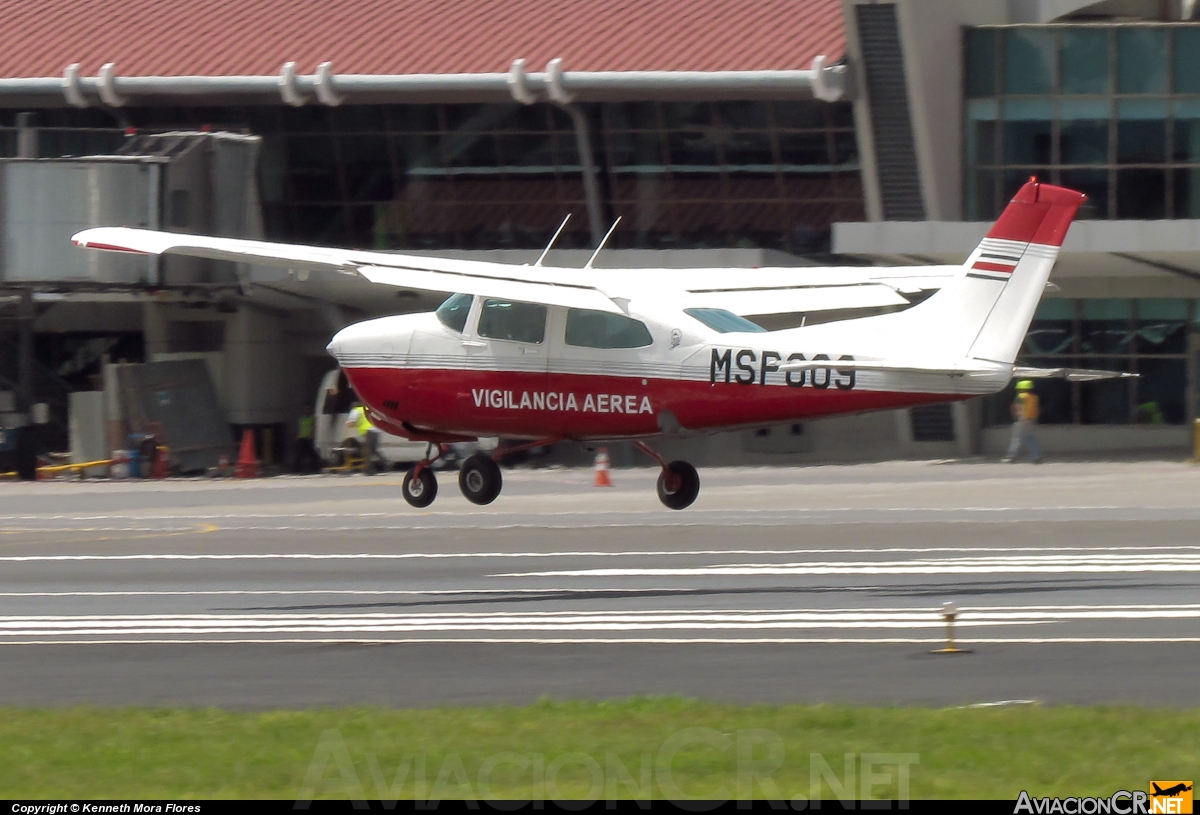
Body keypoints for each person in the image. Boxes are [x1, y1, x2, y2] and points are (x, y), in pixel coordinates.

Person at [1003, 380, 1041, 463]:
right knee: (1031, 439)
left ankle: (1011, 457)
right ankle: (1035, 457)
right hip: (1032, 420)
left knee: (1016, 439)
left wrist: (1021, 419)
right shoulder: (1034, 397)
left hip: (1022, 421)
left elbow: (1019, 409)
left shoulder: (1020, 397)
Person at [347, 403, 381, 475]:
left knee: (367, 452)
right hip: (376, 431)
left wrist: (349, 424)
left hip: (368, 432)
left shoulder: (355, 411)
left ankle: (369, 470)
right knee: (372, 450)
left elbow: (351, 423)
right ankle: (383, 463)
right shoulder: (365, 409)